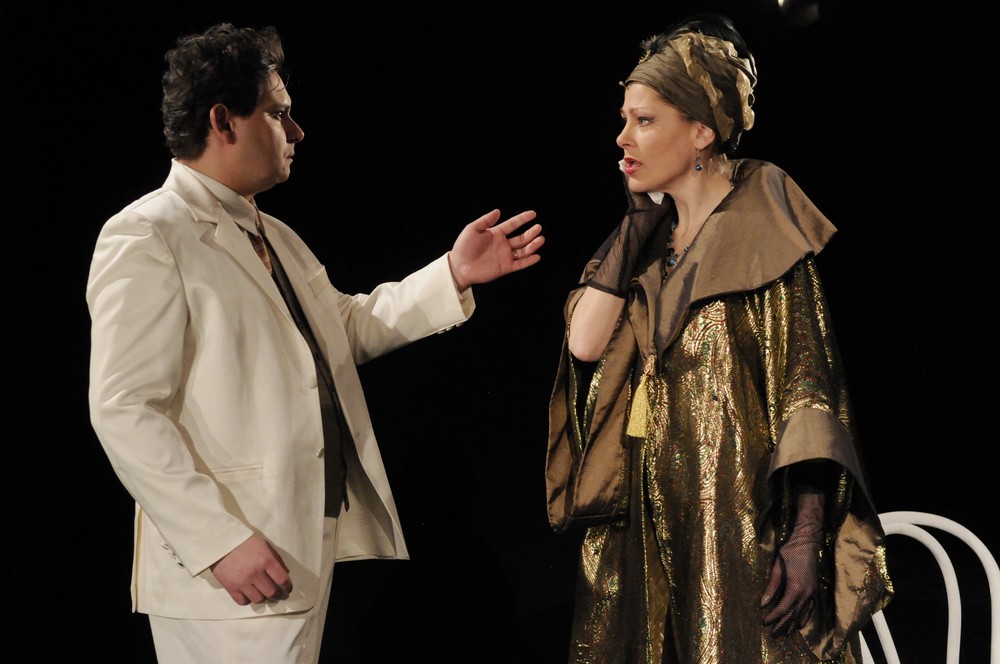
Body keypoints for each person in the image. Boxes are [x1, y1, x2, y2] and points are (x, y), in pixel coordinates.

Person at [86, 22, 543, 663]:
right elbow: (124, 407)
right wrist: (217, 540)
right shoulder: (148, 234)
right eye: (278, 114)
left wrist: (452, 275)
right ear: (223, 121)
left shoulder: (274, 234)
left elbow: (339, 330)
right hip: (229, 563)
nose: (297, 132)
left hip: (292, 544)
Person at [545, 13, 891, 663]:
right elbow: (585, 345)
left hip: (736, 518)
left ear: (701, 131)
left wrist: (804, 535)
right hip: (645, 522)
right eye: (624, 119)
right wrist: (635, 223)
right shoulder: (649, 240)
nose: (623, 138)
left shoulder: (763, 224)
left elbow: (808, 393)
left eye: (645, 121)